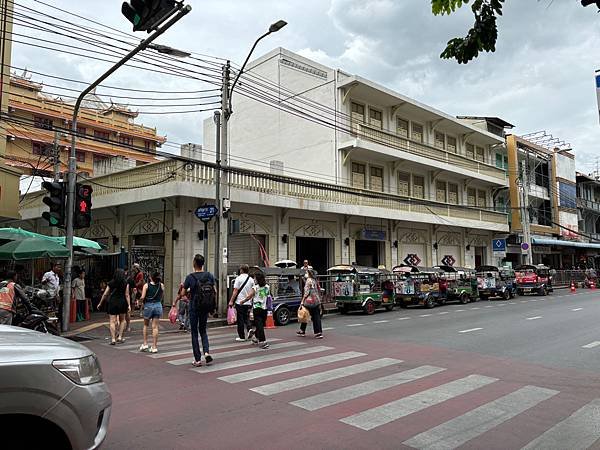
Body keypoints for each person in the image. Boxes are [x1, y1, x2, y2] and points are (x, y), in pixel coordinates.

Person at [184, 254, 216, 367]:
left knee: (194, 332)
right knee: (203, 330)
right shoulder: (209, 275)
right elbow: (214, 290)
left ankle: (197, 359)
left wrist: (187, 290)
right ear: (203, 263)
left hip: (194, 306)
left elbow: (183, 293)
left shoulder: (190, 277)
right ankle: (206, 352)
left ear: (194, 263)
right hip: (205, 306)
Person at [97, 269, 131, 345]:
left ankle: (113, 339)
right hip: (122, 302)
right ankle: (120, 337)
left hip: (112, 302)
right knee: (122, 320)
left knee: (112, 321)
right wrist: (129, 305)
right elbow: (127, 295)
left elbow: (105, 294)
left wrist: (100, 303)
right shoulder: (126, 283)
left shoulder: (111, 283)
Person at [241, 271, 270, 349]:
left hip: (258, 308)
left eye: (254, 278)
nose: (254, 279)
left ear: (258, 279)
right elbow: (268, 297)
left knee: (260, 325)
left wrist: (243, 301)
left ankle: (258, 338)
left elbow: (250, 296)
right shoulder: (267, 286)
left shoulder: (256, 287)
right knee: (260, 325)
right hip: (264, 308)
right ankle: (261, 340)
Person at [138, 270, 164, 353]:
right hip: (158, 305)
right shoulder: (161, 285)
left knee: (146, 325)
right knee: (155, 327)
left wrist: (139, 302)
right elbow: (161, 296)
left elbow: (142, 297)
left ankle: (145, 343)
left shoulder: (146, 285)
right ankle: (154, 347)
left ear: (150, 277)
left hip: (148, 306)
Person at [228, 264, 254, 342]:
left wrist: (231, 301)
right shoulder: (251, 279)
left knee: (240, 319)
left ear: (241, 270)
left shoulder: (238, 278)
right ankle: (249, 329)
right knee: (246, 317)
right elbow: (253, 291)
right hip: (248, 302)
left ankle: (242, 336)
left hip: (240, 302)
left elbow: (235, 291)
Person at [297, 269, 323, 339]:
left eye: (306, 272)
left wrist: (302, 301)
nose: (306, 273)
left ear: (309, 274)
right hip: (316, 301)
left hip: (309, 301)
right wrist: (319, 301)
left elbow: (306, 292)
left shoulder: (308, 280)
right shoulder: (315, 280)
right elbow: (318, 290)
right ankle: (318, 332)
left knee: (304, 314)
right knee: (316, 317)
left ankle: (302, 330)